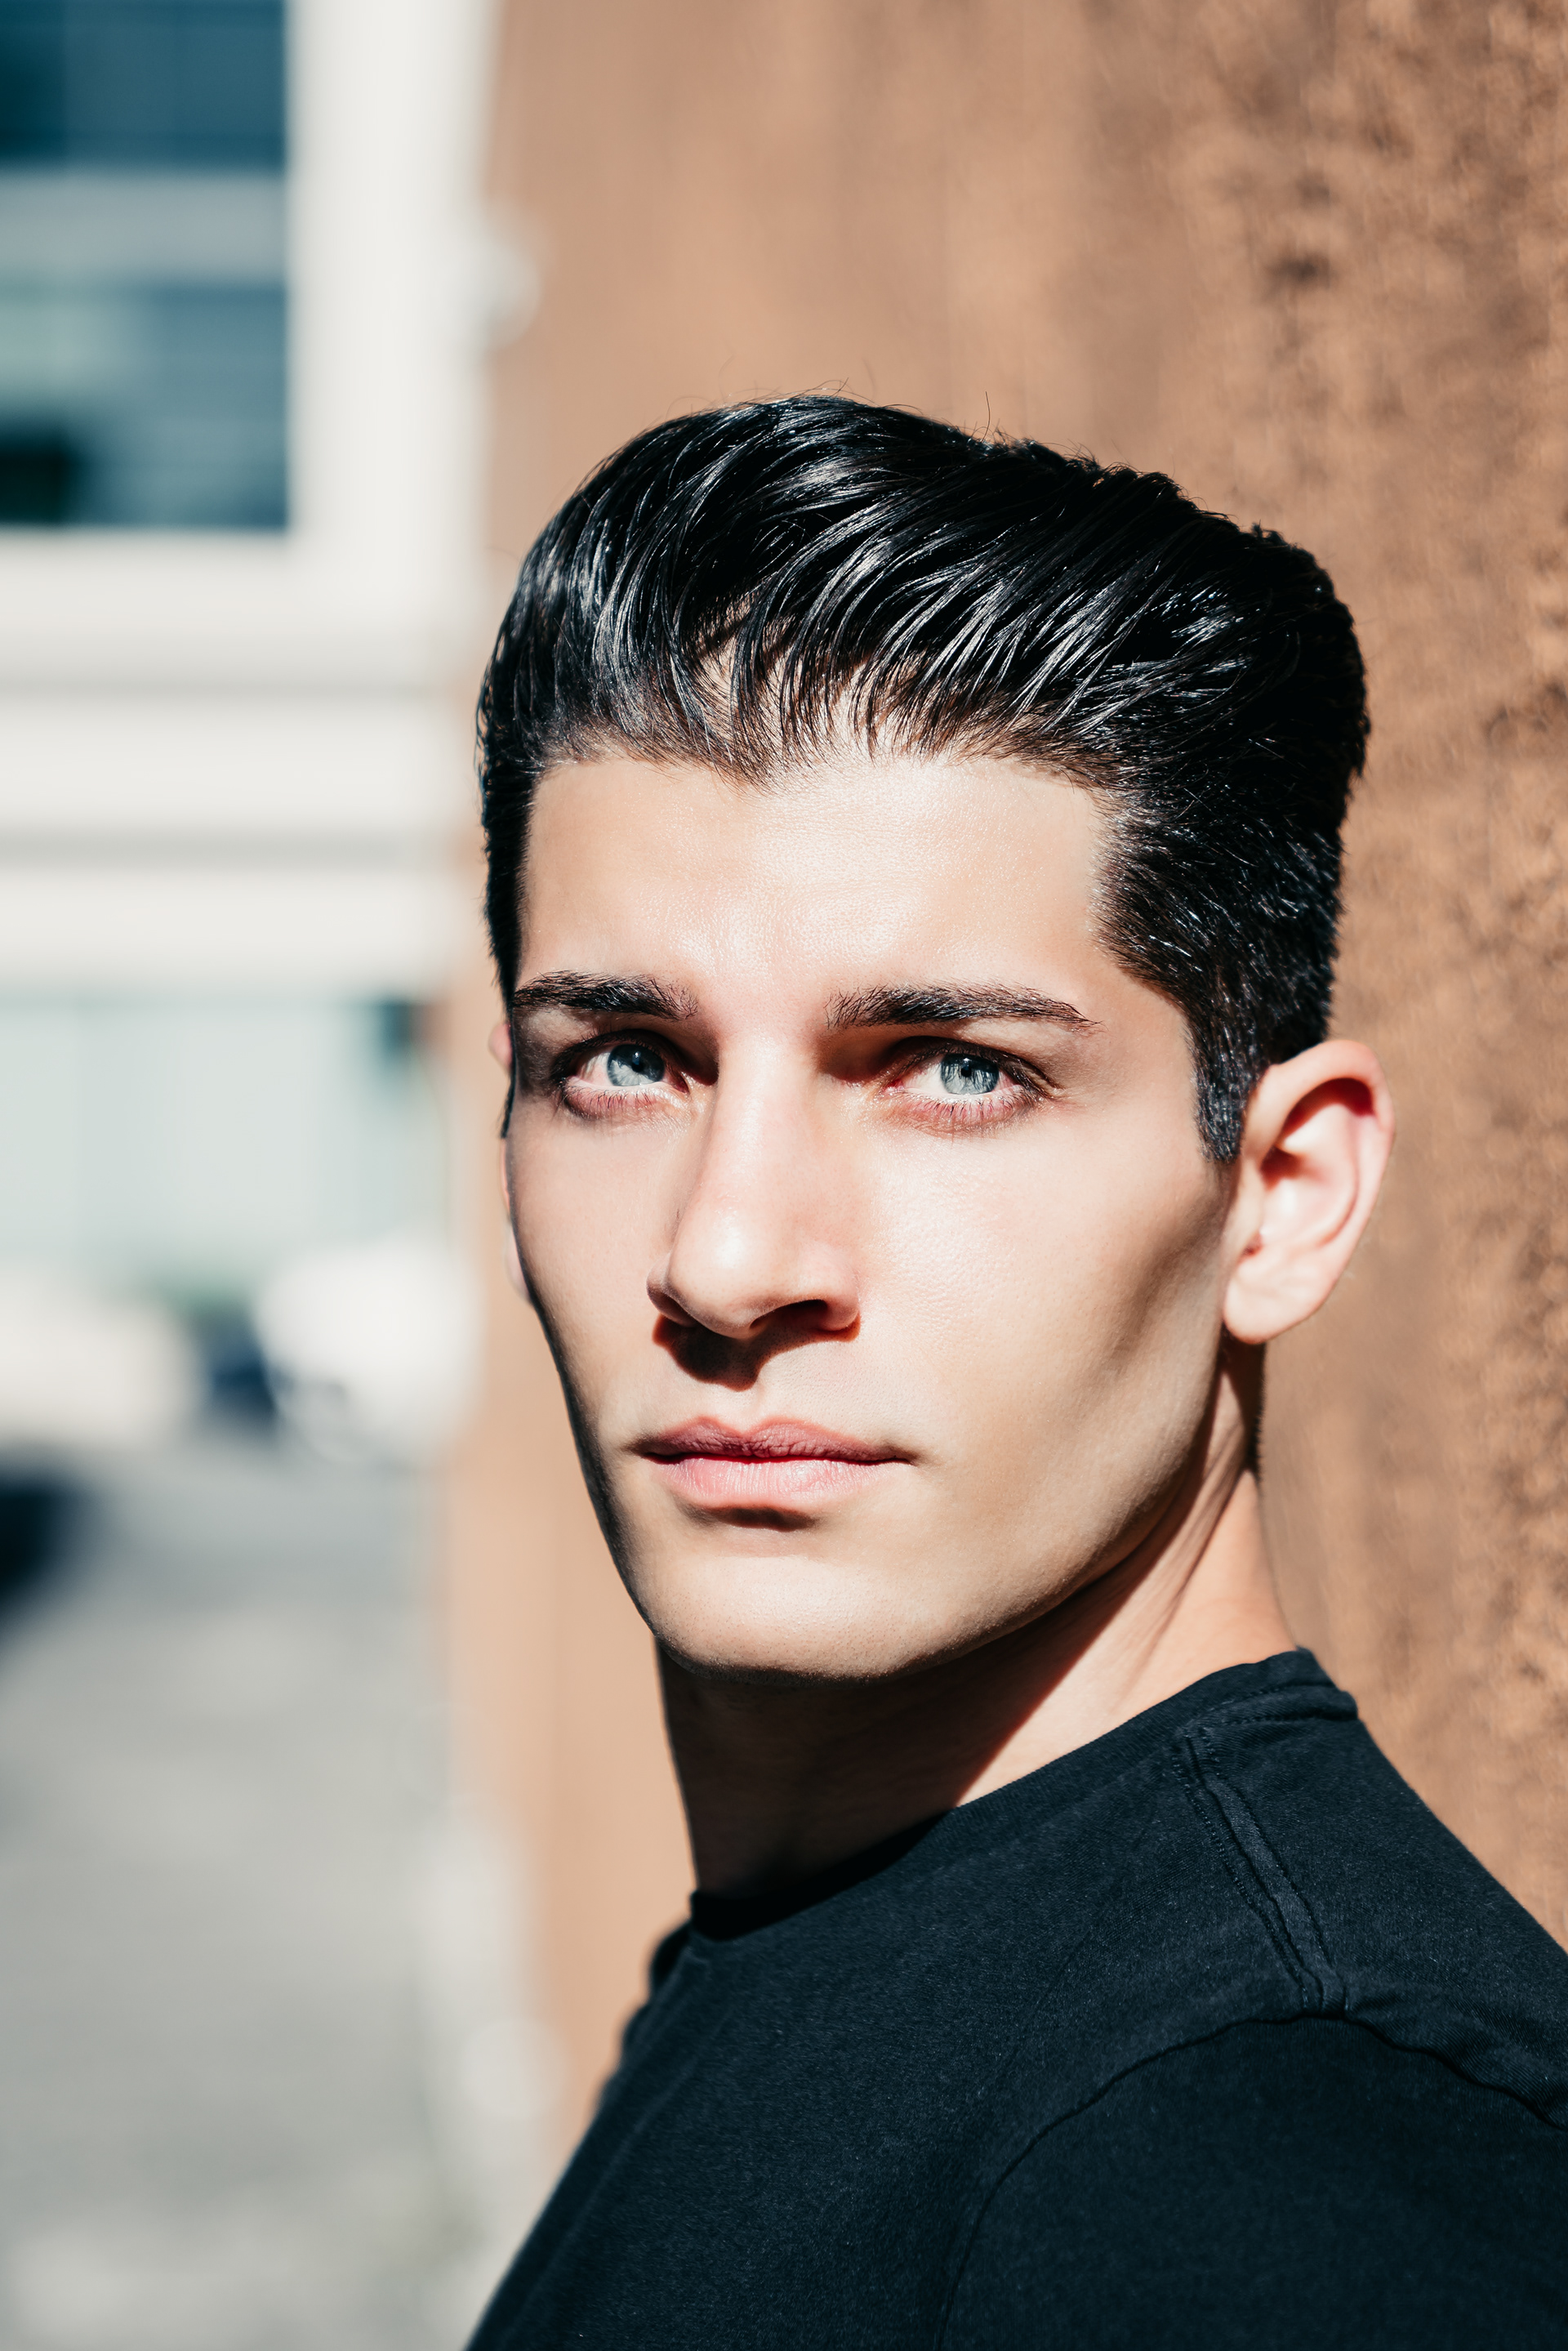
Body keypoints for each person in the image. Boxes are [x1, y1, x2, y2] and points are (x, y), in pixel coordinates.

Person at [466, 397, 1568, 2348]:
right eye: (626, 1059)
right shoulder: (841, 1949)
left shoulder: (1276, 2180)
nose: (728, 1257)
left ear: (1282, 1195)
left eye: (956, 1070)